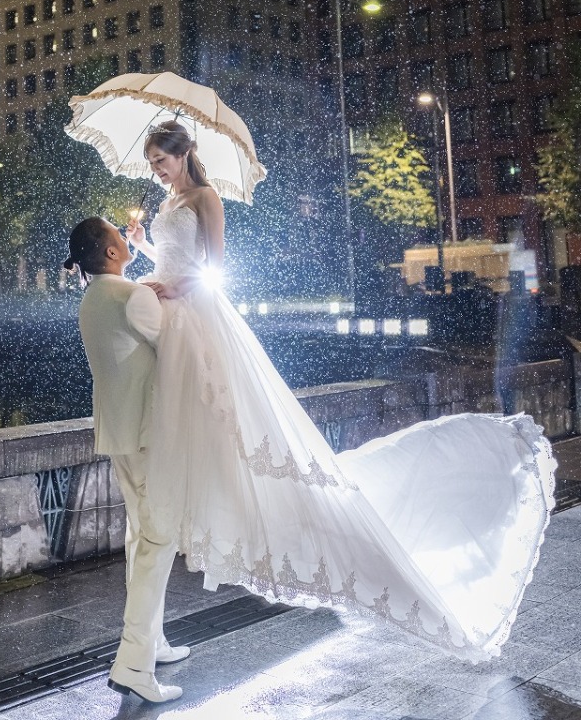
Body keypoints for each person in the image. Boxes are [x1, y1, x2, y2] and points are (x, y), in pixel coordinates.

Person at [126, 120, 556, 663]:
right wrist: (143, 252)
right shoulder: (167, 205)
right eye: (151, 165)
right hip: (172, 316)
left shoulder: (206, 198)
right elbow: (171, 262)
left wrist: (173, 285)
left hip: (197, 318)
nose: (156, 171)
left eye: (160, 161)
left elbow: (213, 269)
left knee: (235, 429)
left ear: (183, 153)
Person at [64, 217, 189, 704]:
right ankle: (134, 661)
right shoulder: (132, 296)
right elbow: (175, 349)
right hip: (146, 432)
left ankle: (152, 642)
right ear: (111, 252)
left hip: (117, 432)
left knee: (141, 536)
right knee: (159, 538)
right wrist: (177, 299)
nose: (124, 231)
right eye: (118, 232)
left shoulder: (95, 297)